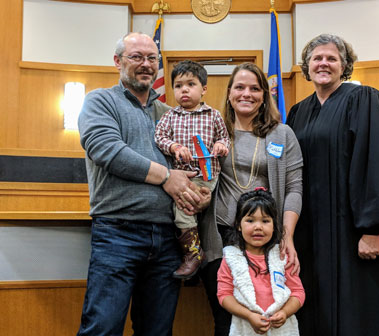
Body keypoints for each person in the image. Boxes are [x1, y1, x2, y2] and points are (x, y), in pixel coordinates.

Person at [286, 33, 379, 336]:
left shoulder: (365, 100)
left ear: (345, 66)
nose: (323, 63)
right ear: (306, 66)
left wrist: (373, 229)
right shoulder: (299, 112)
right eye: (317, 58)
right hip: (312, 237)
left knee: (360, 312)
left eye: (331, 58)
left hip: (356, 234)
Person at [77, 32, 210, 336]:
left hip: (168, 239)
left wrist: (199, 194)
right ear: (117, 61)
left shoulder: (171, 114)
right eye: (136, 57)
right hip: (117, 234)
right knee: (102, 328)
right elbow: (108, 151)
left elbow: (187, 168)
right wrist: (166, 177)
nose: (146, 64)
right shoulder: (100, 101)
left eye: (152, 58)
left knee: (157, 331)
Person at [199, 62, 303, 336]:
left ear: (265, 94)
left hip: (266, 238)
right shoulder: (213, 131)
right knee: (227, 319)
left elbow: (294, 188)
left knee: (269, 315)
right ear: (229, 93)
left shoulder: (282, 133)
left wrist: (287, 236)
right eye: (240, 87)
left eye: (255, 88)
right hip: (219, 235)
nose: (247, 94)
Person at [155, 60, 230, 279]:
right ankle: (196, 253)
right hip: (182, 175)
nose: (184, 89)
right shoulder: (170, 117)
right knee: (182, 208)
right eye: (178, 86)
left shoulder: (213, 115)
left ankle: (193, 254)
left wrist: (220, 145)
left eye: (191, 84)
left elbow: (224, 137)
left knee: (184, 209)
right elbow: (159, 137)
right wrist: (174, 146)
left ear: (203, 89)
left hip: (206, 175)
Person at [217, 188, 305, 335]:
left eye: (265, 221)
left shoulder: (282, 256)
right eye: (250, 220)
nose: (258, 227)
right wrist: (249, 315)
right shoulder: (231, 258)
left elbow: (298, 292)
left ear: (274, 225)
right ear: (239, 224)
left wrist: (284, 312)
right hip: (245, 328)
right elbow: (224, 295)